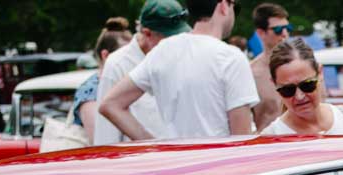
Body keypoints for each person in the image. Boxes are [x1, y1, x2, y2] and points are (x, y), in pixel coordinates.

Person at [102, 0, 259, 140]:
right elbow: (241, 140)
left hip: (174, 165)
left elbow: (110, 104)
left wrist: (151, 145)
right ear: (224, 6)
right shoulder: (231, 58)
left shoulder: (162, 50)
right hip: (217, 166)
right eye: (235, 6)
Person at [261, 37, 343, 134]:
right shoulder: (271, 137)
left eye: (307, 85)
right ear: (274, 84)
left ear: (320, 73)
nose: (299, 96)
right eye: (288, 90)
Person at [95, 2, 166, 145]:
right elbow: (106, 136)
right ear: (147, 34)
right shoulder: (117, 64)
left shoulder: (174, 56)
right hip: (137, 162)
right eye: (168, 36)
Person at [249, 2, 292, 130]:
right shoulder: (250, 72)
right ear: (261, 33)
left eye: (288, 28)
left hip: (302, 144)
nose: (285, 34)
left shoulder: (303, 67)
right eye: (278, 30)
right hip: (268, 145)